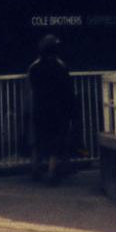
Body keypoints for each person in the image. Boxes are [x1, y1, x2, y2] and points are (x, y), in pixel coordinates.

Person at [27, 34, 75, 184]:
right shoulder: (60, 66)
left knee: (39, 140)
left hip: (39, 108)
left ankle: (35, 169)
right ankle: (51, 173)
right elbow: (67, 89)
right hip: (57, 110)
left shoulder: (34, 67)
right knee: (56, 141)